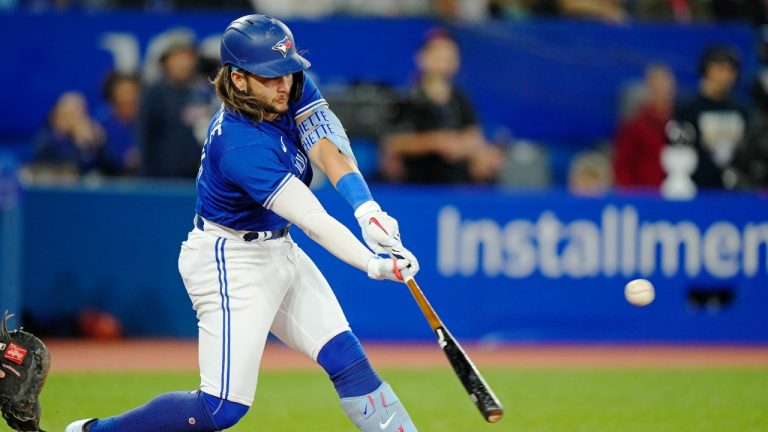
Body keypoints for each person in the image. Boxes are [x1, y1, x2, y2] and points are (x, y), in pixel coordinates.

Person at [66, 14, 419, 432]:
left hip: (278, 248)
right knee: (220, 408)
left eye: (286, 72)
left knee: (349, 362)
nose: (283, 83)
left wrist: (366, 208)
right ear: (237, 79)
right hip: (230, 261)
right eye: (269, 77)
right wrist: (373, 264)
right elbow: (312, 219)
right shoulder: (239, 144)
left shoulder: (291, 87)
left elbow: (327, 146)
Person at [382, 28, 504, 184]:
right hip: (417, 182)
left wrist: (474, 150)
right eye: (439, 56)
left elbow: (473, 135)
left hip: (456, 181)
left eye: (450, 57)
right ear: (422, 58)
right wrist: (436, 142)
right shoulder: (406, 97)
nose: (445, 62)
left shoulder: (460, 99)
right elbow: (393, 143)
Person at [136, 28, 215, 178]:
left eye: (187, 56)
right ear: (165, 62)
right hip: (163, 180)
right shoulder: (154, 92)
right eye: (176, 57)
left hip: (200, 179)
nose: (182, 63)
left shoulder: (205, 91)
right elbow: (144, 136)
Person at [671, 44, 748, 189]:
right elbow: (678, 150)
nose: (725, 76)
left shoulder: (741, 110)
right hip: (698, 188)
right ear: (706, 71)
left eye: (730, 71)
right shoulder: (688, 109)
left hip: (736, 190)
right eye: (719, 69)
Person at [613, 63, 677, 189]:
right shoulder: (634, 127)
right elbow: (622, 165)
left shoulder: (681, 124)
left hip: (676, 195)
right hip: (644, 195)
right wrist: (632, 197)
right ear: (648, 89)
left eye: (665, 86)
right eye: (656, 86)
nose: (661, 91)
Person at [26, 91, 111, 178]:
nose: (79, 118)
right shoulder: (46, 139)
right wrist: (81, 145)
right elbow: (70, 170)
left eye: (81, 112)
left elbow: (107, 169)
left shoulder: (87, 137)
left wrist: (100, 144)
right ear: (58, 114)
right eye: (72, 112)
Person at [95, 71, 142, 176]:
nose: (127, 96)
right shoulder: (100, 122)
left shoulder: (149, 123)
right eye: (122, 91)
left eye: (132, 91)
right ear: (112, 93)